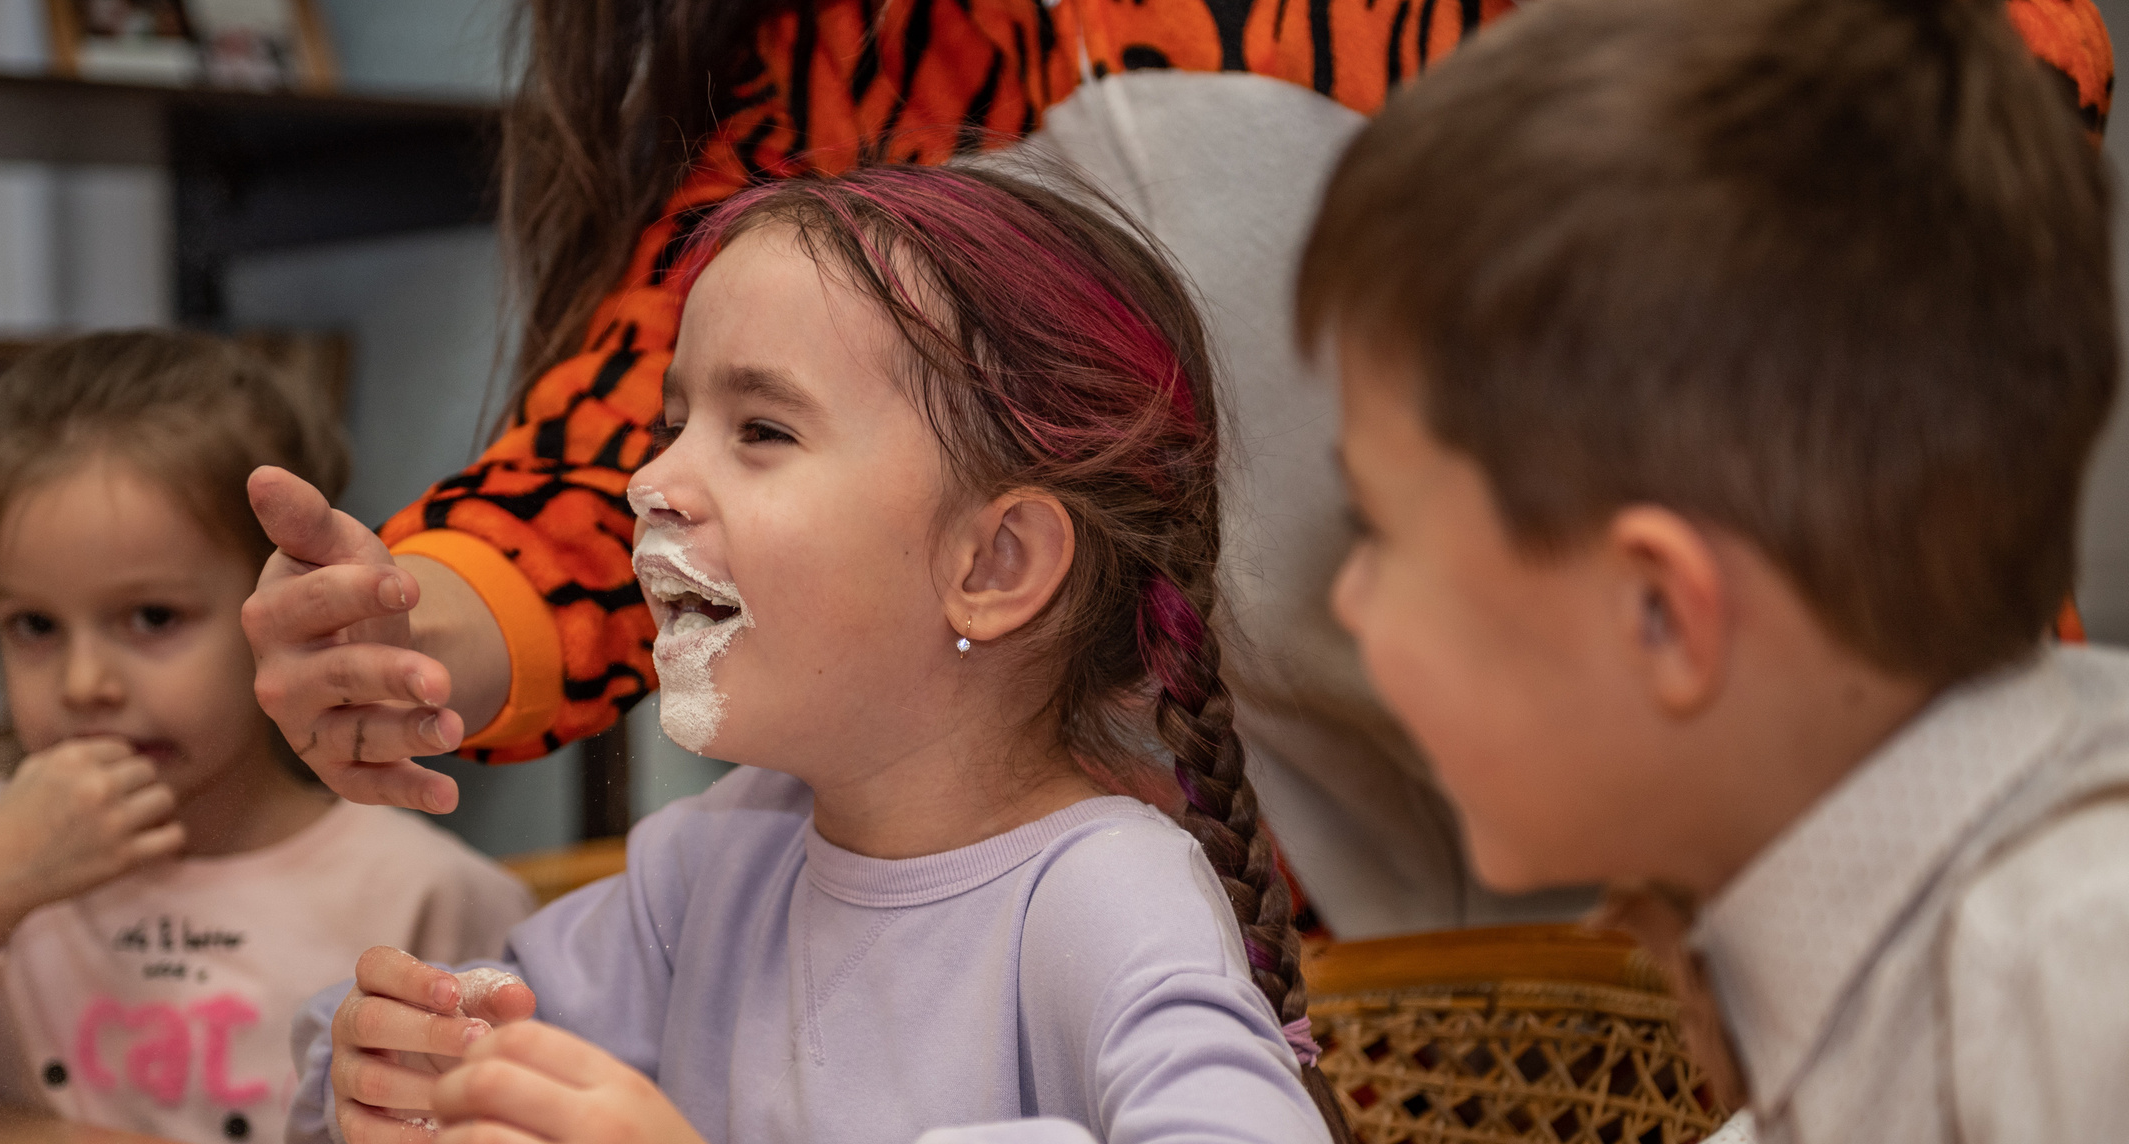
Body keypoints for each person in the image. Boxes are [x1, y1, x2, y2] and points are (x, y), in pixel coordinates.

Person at [1059, 0, 2127, 1144]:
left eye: (1385, 534)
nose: (1344, 605)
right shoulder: (1890, 882)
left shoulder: (2076, 943)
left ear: (1662, 612)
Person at [239, 0, 2110, 938]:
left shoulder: (2024, 932)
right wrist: (435, 625)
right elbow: (729, 355)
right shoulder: (769, 890)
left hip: (1820, 781)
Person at [281, 164, 1394, 1144]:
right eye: (672, 420)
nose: (652, 482)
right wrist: (403, 1098)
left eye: (759, 431)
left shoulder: (1101, 894)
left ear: (996, 562)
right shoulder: (718, 864)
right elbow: (478, 1099)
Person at [0, 332, 532, 1144]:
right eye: (34, 626)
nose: (85, 681)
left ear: (292, 608)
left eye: (153, 617)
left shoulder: (420, 892)